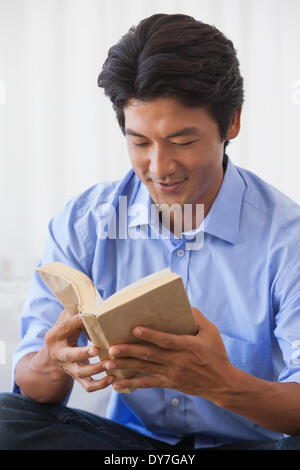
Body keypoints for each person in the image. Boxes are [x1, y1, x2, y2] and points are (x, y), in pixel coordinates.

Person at [1, 13, 300, 451]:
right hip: (131, 448)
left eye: (182, 141)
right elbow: (32, 388)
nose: (159, 168)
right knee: (6, 420)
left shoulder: (287, 239)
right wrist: (53, 362)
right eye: (140, 143)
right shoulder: (85, 222)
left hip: (257, 446)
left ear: (231, 124)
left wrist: (223, 383)